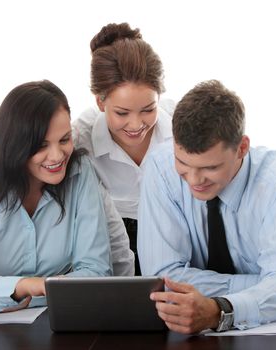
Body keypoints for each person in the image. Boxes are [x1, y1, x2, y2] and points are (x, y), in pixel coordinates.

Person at [138, 80, 276, 334]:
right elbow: (163, 280)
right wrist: (266, 283)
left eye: (210, 168)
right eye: (182, 163)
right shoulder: (160, 168)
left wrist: (219, 310)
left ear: (242, 148)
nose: (194, 181)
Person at [0, 80, 113, 314]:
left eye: (64, 140)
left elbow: (97, 273)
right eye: (41, 145)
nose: (56, 156)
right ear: (16, 146)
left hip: (60, 323)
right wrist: (25, 287)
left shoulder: (80, 172)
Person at [73, 22, 175, 275]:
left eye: (148, 109)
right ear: (100, 101)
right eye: (122, 112)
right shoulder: (79, 139)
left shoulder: (181, 122)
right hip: (109, 247)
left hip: (175, 241)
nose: (136, 124)